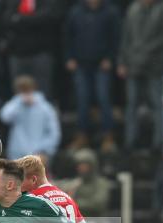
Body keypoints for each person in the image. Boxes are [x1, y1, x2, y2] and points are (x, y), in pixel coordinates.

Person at [117, 0, 163, 151]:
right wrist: (122, 61)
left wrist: (145, 51)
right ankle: (130, 140)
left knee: (157, 104)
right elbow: (126, 36)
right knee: (131, 105)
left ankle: (159, 142)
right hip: (133, 64)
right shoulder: (133, 8)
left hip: (155, 65)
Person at [63, 0, 120, 152]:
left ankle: (108, 137)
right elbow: (68, 36)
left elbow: (116, 38)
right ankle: (82, 136)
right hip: (81, 63)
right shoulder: (75, 12)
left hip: (102, 64)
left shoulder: (110, 12)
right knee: (82, 100)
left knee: (104, 99)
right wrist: (69, 57)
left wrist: (110, 58)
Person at [0, 75, 60, 162]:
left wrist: (44, 150)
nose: (25, 93)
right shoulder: (16, 105)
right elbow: (4, 117)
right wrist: (18, 101)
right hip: (16, 155)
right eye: (21, 91)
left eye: (27, 90)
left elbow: (54, 133)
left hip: (38, 155)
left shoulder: (45, 108)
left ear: (33, 89)